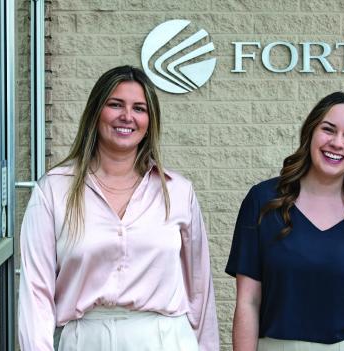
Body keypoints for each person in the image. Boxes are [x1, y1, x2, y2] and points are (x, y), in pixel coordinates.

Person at [18, 65, 219, 351]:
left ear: (150, 121)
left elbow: (200, 288)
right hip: (86, 339)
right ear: (96, 112)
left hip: (166, 339)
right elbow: (36, 292)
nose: (127, 116)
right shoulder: (54, 189)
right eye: (115, 105)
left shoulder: (177, 191)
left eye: (139, 108)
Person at [226, 92, 344, 351]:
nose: (337, 143)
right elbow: (248, 302)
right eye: (328, 130)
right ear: (310, 132)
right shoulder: (263, 202)